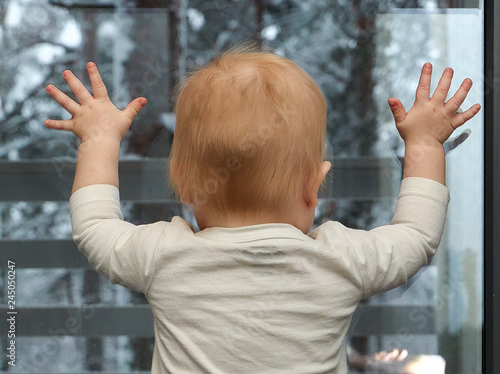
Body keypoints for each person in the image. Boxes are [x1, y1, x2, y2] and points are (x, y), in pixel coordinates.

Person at [44, 46, 480, 373]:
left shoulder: (163, 255)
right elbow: (416, 237)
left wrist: (98, 141)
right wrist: (424, 145)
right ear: (314, 186)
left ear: (188, 185)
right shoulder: (340, 260)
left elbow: (95, 226)